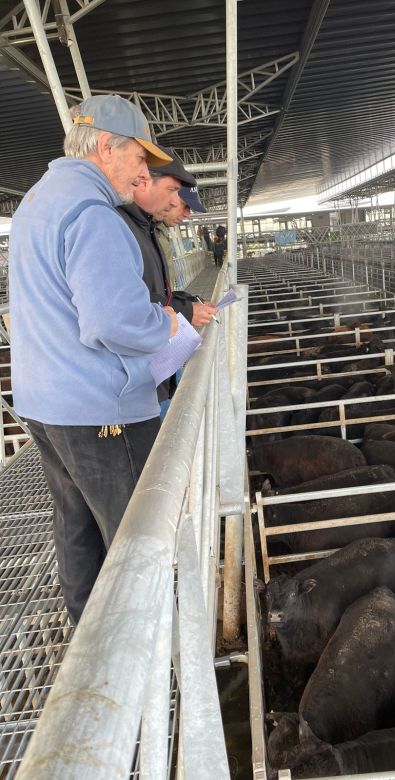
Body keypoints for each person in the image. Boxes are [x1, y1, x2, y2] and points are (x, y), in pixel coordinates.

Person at [9, 94, 178, 624]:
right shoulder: (93, 213)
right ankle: (137, 646)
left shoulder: (39, 201)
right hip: (98, 408)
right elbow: (112, 321)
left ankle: (88, 633)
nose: (142, 173)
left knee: (75, 522)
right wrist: (165, 326)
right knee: (134, 532)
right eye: (139, 158)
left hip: (45, 402)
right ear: (107, 147)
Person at [117, 150, 216, 412]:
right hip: (132, 380)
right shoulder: (119, 225)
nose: (178, 208)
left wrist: (187, 302)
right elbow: (129, 304)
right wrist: (185, 310)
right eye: (175, 193)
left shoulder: (146, 228)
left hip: (149, 369)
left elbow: (155, 293)